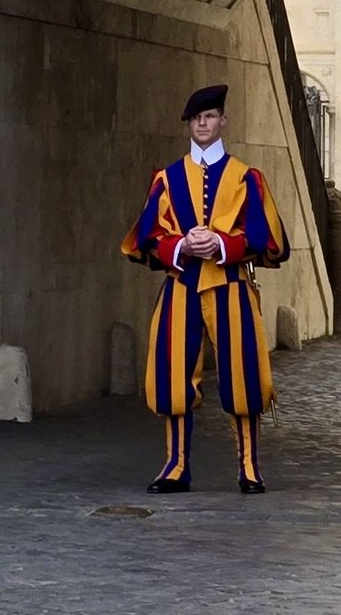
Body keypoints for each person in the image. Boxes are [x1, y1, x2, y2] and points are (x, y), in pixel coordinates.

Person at [118, 83, 289, 495]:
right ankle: (175, 465)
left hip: (230, 285)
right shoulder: (167, 177)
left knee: (244, 376)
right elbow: (142, 240)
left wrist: (221, 244)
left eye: (209, 116)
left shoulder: (247, 177)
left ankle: (249, 466)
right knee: (172, 377)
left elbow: (271, 242)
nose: (202, 123)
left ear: (222, 121)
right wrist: (179, 245)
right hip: (181, 285)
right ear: (189, 125)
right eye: (196, 118)